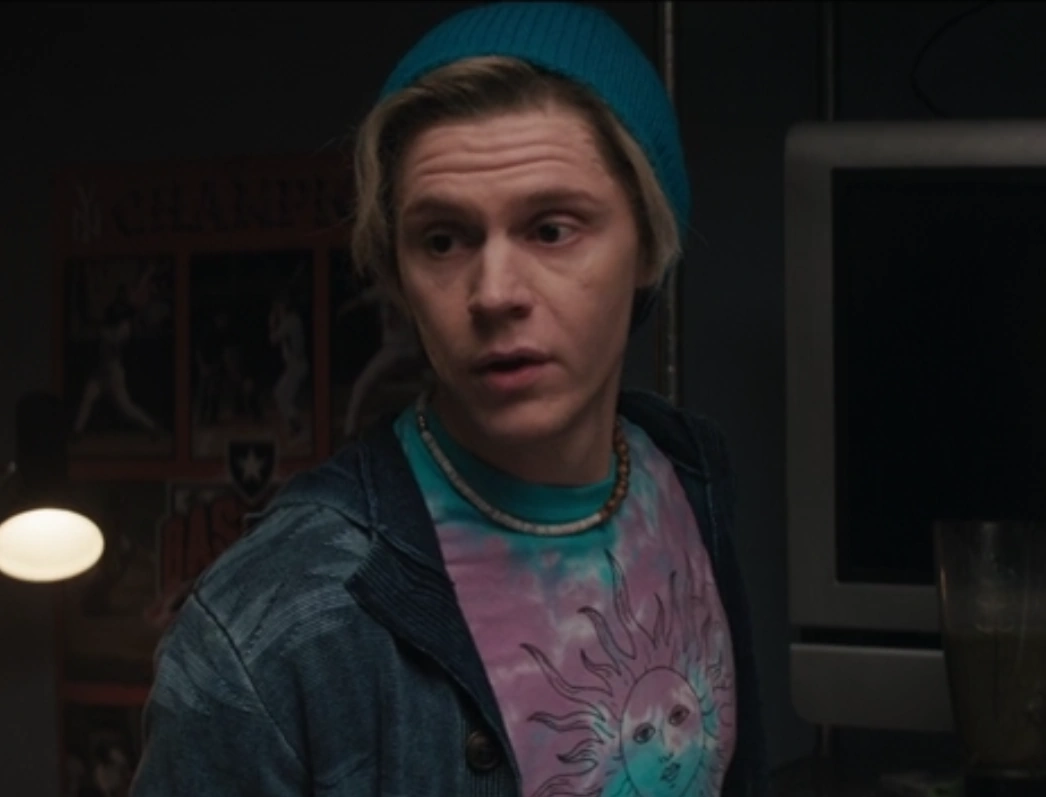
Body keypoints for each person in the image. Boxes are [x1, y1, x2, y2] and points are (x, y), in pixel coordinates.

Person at [131, 3, 769, 797]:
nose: (494, 292)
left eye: (551, 229)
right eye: (443, 239)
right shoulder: (269, 631)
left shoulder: (686, 475)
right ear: (398, 273)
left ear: (647, 242)